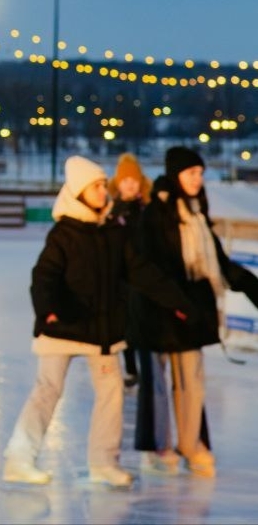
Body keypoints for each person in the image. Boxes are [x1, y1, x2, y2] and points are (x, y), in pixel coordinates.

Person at [2, 155, 192, 488]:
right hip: (62, 326)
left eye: (105, 185)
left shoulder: (112, 232)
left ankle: (104, 462)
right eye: (97, 186)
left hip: (101, 331)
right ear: (78, 192)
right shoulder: (63, 233)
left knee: (112, 391)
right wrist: (48, 310)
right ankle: (19, 458)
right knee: (47, 390)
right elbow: (43, 276)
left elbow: (142, 273)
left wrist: (179, 301)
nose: (105, 191)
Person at [128, 146, 258, 478]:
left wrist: (253, 287)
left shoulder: (197, 214)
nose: (198, 180)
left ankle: (191, 444)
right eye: (191, 174)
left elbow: (219, 263)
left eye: (200, 173)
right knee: (157, 384)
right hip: (159, 312)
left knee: (191, 383)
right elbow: (148, 267)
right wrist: (175, 301)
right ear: (176, 175)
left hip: (191, 311)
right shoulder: (155, 215)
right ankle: (158, 446)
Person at [108, 153, 152, 387]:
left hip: (143, 275)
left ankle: (145, 367)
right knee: (125, 326)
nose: (130, 184)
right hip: (120, 277)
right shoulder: (112, 208)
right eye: (125, 180)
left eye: (134, 180)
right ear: (118, 182)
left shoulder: (146, 208)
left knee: (141, 324)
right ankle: (131, 368)